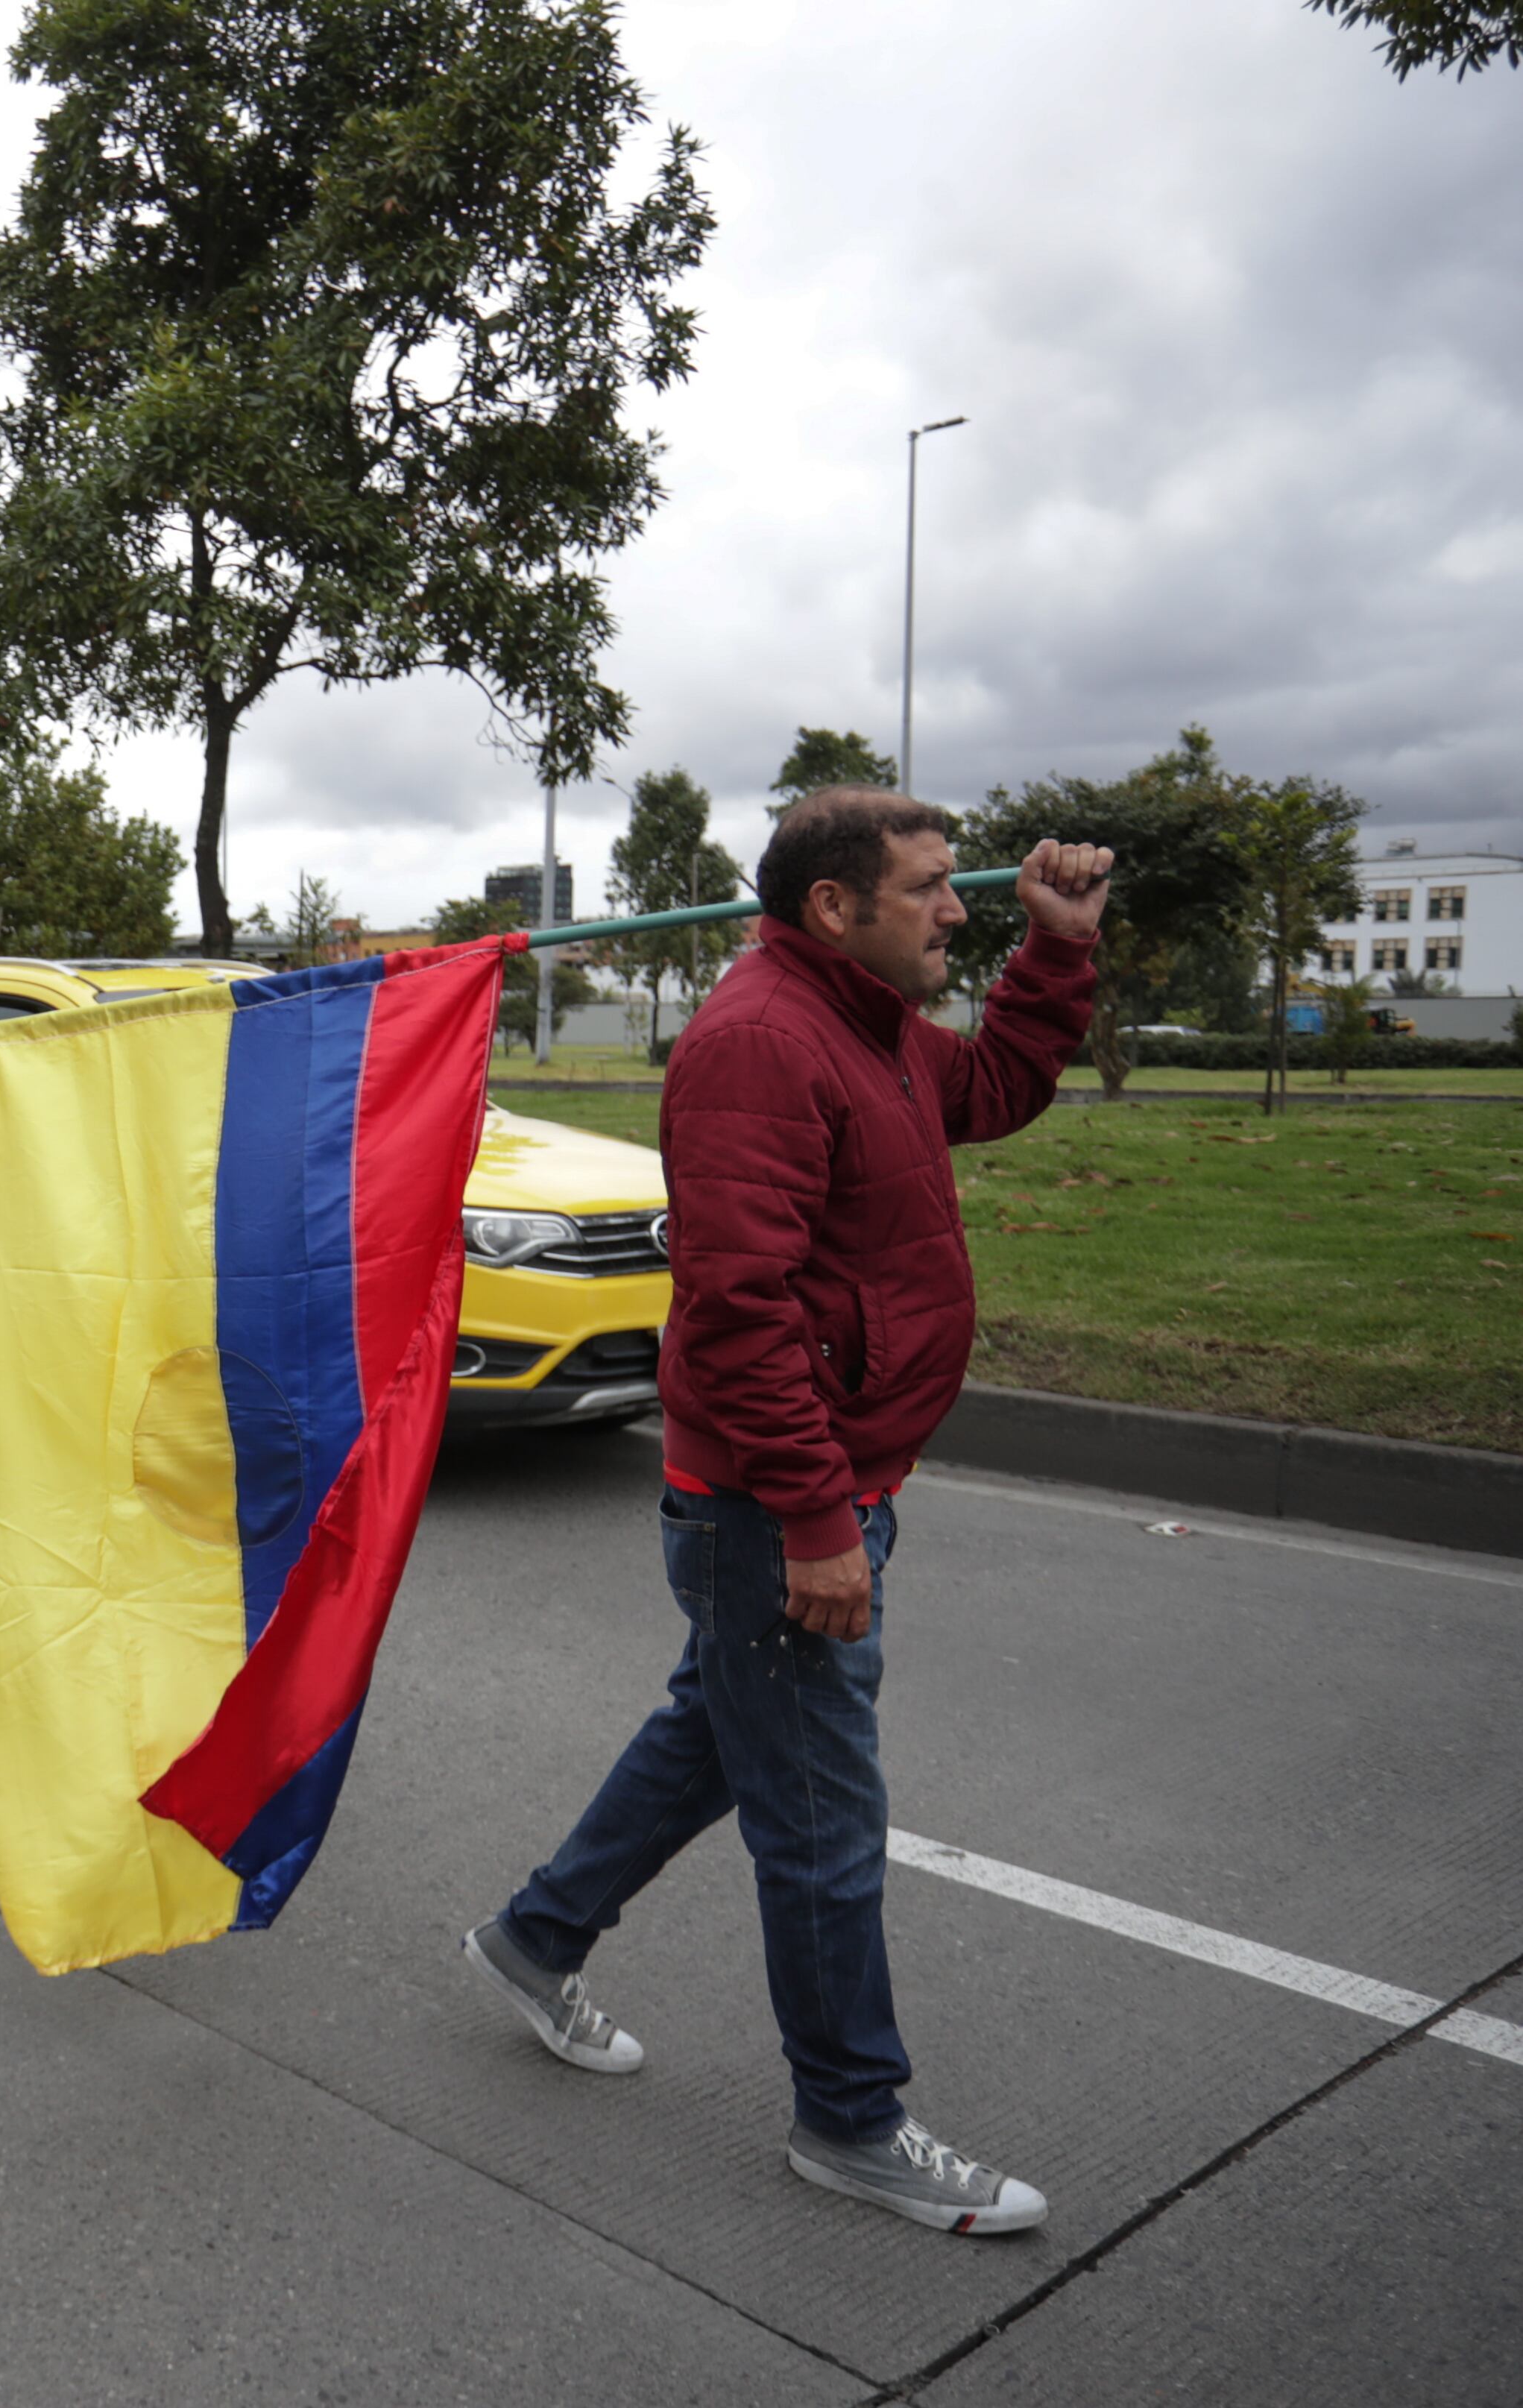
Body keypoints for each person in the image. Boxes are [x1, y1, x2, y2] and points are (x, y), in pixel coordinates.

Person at [461, 789, 1113, 2237]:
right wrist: (816, 1520)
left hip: (817, 1487)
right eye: (929, 886)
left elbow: (995, 1088)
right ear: (834, 905)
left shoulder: (870, 1026)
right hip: (773, 1505)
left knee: (712, 1732)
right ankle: (850, 2120)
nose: (958, 909)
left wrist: (1057, 949)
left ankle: (534, 1937)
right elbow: (738, 1309)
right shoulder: (761, 1043)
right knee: (823, 1821)